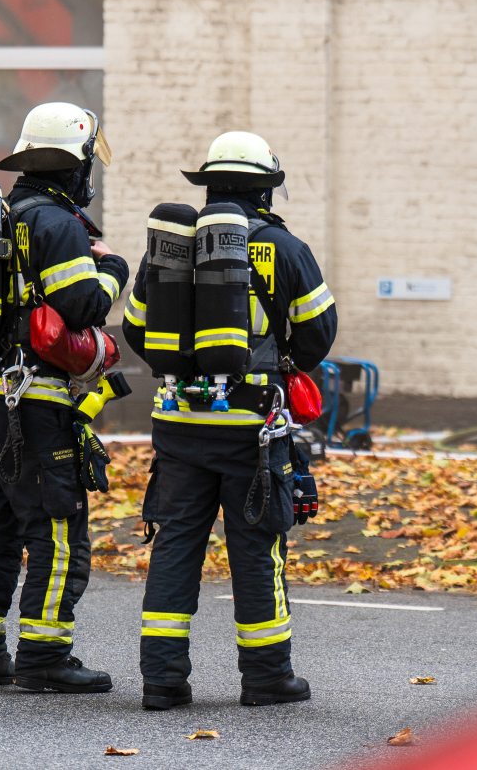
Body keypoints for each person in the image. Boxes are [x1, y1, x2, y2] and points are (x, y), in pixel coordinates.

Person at [122, 131, 337, 710]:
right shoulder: (284, 249)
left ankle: (162, 681)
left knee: (175, 547)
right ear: (265, 190)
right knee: (256, 549)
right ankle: (267, 678)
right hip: (251, 428)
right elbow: (319, 332)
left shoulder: (170, 248)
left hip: (178, 426)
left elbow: (138, 329)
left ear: (211, 185)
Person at [0, 102, 129, 692]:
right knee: (55, 527)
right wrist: (114, 272)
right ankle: (44, 657)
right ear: (75, 165)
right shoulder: (57, 224)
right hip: (32, 401)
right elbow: (81, 306)